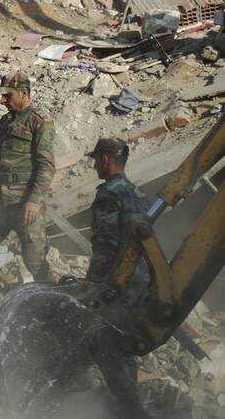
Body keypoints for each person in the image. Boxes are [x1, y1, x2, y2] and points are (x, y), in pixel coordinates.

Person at [0, 70, 55, 324]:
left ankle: (51, 311)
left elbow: (46, 166)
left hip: (25, 204)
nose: (3, 100)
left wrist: (34, 201)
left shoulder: (40, 122)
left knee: (35, 260)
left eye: (8, 96)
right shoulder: (4, 123)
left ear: (24, 93)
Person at [82, 137, 154, 419]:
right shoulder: (136, 192)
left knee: (106, 345)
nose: (95, 166)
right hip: (139, 281)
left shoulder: (108, 194)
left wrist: (94, 285)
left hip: (118, 281)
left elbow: (106, 243)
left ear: (106, 160)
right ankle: (126, 404)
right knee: (124, 345)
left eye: (96, 161)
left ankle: (131, 411)